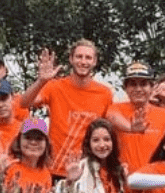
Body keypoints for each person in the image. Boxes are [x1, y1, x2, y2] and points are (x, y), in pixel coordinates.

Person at [20, 40, 114, 179]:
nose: (83, 61)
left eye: (88, 58)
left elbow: (108, 131)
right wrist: (41, 81)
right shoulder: (55, 86)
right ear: (71, 59)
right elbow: (24, 103)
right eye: (79, 56)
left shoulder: (104, 93)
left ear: (94, 62)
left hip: (87, 171)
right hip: (54, 168)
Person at [59, 118, 127, 193]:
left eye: (107, 139)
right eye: (96, 140)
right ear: (88, 143)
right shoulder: (81, 168)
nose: (102, 145)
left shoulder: (118, 171)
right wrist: (69, 182)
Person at [105, 63, 165, 176]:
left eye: (143, 84)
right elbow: (111, 117)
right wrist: (131, 128)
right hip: (122, 181)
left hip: (153, 182)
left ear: (152, 87)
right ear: (125, 88)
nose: (138, 89)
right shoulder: (115, 108)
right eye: (133, 84)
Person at [0, 116, 56, 193]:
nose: (33, 142)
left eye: (39, 139)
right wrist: (0, 174)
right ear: (19, 141)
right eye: (28, 137)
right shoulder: (7, 167)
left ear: (46, 145)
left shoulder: (46, 174)